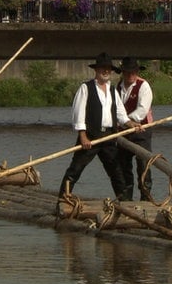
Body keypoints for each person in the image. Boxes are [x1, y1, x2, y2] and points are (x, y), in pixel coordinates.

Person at [59, 53, 139, 200]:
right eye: (103, 68)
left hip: (108, 137)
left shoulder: (112, 90)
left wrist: (131, 124)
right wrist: (82, 135)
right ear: (96, 70)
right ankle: (63, 198)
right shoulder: (86, 88)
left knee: (116, 171)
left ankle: (125, 203)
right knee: (76, 169)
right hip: (91, 136)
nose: (106, 71)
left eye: (108, 69)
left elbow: (120, 114)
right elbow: (79, 112)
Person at [116, 57, 154, 201]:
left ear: (137, 72)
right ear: (123, 72)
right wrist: (122, 124)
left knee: (143, 165)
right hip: (123, 132)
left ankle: (146, 198)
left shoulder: (144, 86)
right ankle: (126, 199)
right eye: (127, 72)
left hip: (141, 132)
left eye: (133, 72)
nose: (130, 75)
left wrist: (125, 122)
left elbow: (142, 111)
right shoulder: (118, 87)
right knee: (124, 165)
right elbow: (116, 109)